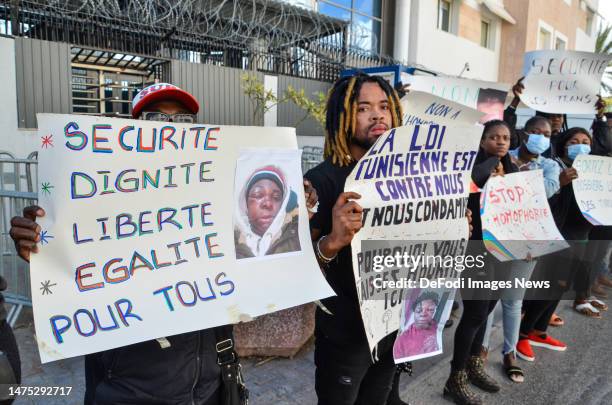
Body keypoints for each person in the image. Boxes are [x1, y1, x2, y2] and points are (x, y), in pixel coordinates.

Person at [304, 73, 406, 405]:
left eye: (384, 106)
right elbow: (297, 268)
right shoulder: (320, 181)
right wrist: (332, 241)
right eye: (364, 108)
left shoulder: (404, 174)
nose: (378, 115)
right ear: (342, 117)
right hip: (346, 334)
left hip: (393, 322)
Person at [481, 116, 561, 383]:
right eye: (535, 131)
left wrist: (515, 173)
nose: (540, 136)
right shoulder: (502, 155)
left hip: (528, 239)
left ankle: (509, 352)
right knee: (487, 300)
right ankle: (480, 349)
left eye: (546, 133)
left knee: (513, 301)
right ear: (524, 134)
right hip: (496, 236)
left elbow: (546, 190)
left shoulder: (549, 165)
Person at [445, 120, 517, 405]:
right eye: (494, 137)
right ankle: (455, 378)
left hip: (502, 250)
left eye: (506, 138)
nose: (501, 142)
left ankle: (474, 366)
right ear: (482, 140)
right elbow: (469, 184)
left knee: (487, 309)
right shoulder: (473, 166)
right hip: (474, 251)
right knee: (474, 312)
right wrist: (491, 165)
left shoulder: (511, 168)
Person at [234, 165, 300, 259]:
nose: (268, 204)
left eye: (276, 197)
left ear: (283, 204)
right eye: (258, 195)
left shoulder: (296, 236)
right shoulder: (229, 241)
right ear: (245, 204)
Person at [393, 292, 440, 359]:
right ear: (414, 311)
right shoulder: (402, 340)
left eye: (430, 310)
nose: (423, 314)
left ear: (434, 311)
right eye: (419, 310)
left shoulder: (435, 325)